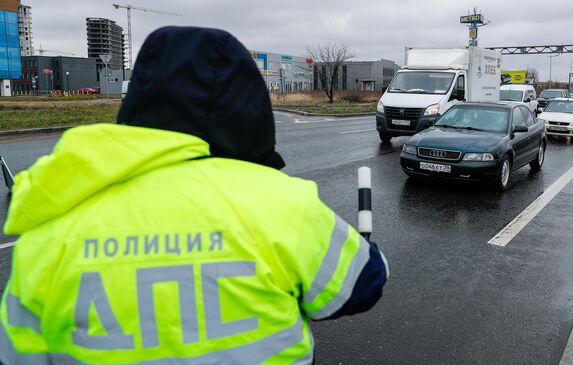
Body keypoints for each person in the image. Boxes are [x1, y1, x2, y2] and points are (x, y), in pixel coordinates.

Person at [0, 27, 388, 365]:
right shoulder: (278, 203)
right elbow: (363, 284)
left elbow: (19, 353)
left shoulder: (53, 220)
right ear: (249, 109)